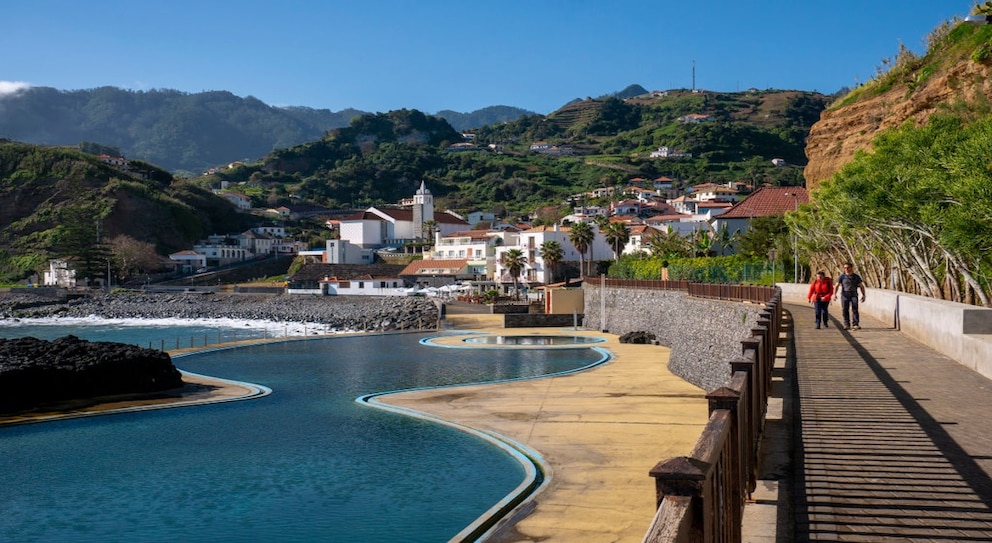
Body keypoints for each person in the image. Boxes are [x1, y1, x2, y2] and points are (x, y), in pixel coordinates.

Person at [835, 262, 866, 330]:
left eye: (848, 267)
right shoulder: (842, 276)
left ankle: (855, 324)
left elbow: (861, 286)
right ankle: (846, 324)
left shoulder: (856, 277)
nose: (846, 269)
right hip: (845, 295)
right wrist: (834, 294)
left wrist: (864, 295)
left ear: (851, 268)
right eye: (845, 268)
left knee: (855, 309)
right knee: (845, 309)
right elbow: (836, 286)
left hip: (853, 294)